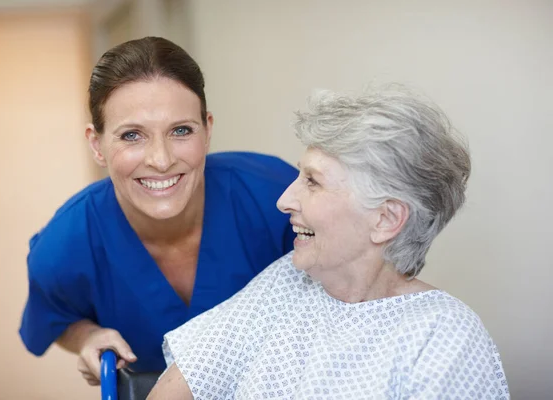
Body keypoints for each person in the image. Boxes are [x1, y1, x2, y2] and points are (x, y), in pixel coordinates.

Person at [148, 86, 510, 399]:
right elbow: (180, 386)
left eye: (313, 182)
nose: (285, 200)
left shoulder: (444, 337)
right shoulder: (286, 282)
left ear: (385, 219)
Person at [18, 36, 297, 386]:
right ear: (97, 144)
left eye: (181, 130)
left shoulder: (278, 198)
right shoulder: (65, 245)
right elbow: (57, 318)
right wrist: (88, 337)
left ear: (207, 130)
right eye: (132, 135)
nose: (161, 160)